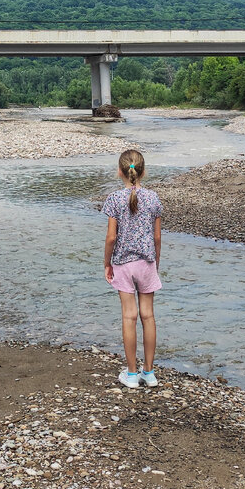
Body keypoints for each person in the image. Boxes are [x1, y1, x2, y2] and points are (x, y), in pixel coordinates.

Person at [102, 148, 163, 389]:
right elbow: (157, 238)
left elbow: (110, 238)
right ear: (143, 171)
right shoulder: (153, 199)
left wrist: (107, 263)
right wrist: (155, 263)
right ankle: (149, 373)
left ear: (120, 172)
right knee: (148, 316)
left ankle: (131, 374)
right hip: (146, 262)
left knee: (129, 316)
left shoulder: (114, 200)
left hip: (123, 264)